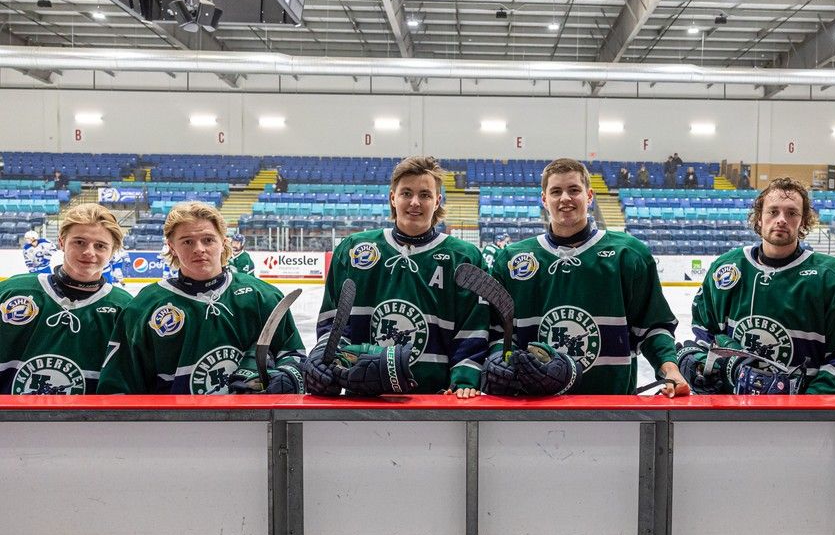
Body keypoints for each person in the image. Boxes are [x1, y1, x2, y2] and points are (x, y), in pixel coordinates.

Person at [487, 158, 688, 397]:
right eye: (556, 191)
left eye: (574, 190)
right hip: (534, 407)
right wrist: (501, 360)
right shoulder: (511, 259)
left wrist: (670, 370)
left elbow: (653, 326)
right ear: (544, 199)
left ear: (589, 196)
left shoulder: (629, 254)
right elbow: (498, 332)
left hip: (613, 405)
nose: (565, 198)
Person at [302, 156, 488, 398]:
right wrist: (325, 358)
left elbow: (473, 326)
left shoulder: (464, 257)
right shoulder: (354, 249)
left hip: (438, 397)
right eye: (406, 193)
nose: (415, 202)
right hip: (363, 397)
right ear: (392, 197)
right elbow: (334, 323)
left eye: (425, 195)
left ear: (437, 201)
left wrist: (464, 377)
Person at [683, 177, 835, 395]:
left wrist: (810, 404)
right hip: (732, 409)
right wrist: (702, 365)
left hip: (804, 416)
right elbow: (706, 334)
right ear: (759, 218)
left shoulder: (833, 276)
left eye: (792, 213)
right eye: (773, 212)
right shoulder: (726, 267)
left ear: (803, 221)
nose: (782, 219)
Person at [98, 201, 305, 395]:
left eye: (208, 240)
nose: (199, 249)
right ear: (171, 247)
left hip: (251, 429)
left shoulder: (263, 296)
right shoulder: (144, 306)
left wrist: (287, 376)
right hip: (174, 429)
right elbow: (120, 385)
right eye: (187, 241)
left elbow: (293, 355)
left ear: (223, 243)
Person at [0, 204, 132, 394]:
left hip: (85, 423)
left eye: (100, 246)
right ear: (62, 242)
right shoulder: (11, 292)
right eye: (79, 242)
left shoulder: (124, 307)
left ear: (112, 251)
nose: (89, 252)